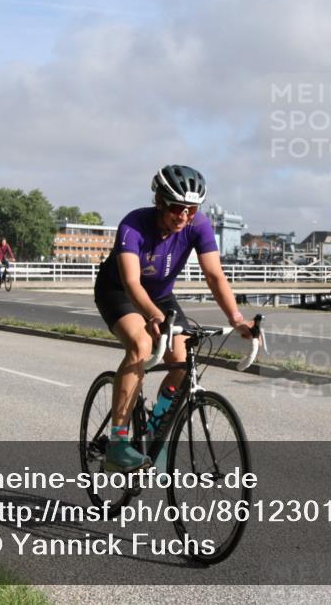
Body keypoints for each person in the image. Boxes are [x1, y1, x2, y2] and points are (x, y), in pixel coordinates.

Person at [94, 165, 254, 472]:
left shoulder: (199, 226)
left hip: (160, 295)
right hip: (119, 291)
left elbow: (214, 276)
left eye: (191, 210)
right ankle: (118, 443)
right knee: (141, 345)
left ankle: (155, 430)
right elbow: (131, 283)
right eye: (176, 208)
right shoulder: (133, 225)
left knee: (182, 357)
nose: (183, 217)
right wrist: (153, 317)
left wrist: (236, 319)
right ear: (159, 201)